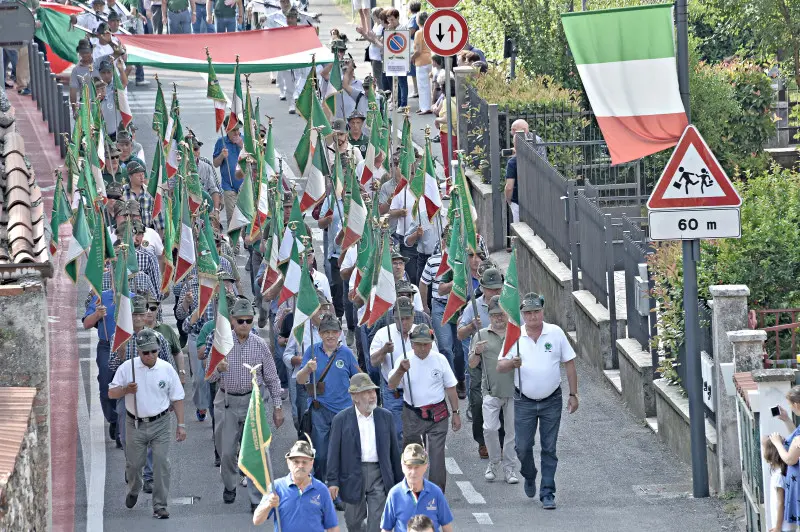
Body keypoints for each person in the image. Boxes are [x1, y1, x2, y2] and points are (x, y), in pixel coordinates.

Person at [497, 292, 578, 509]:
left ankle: (548, 492)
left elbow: (569, 363)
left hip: (552, 399)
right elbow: (500, 366)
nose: (533, 316)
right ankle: (530, 474)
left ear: (542, 312)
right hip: (524, 400)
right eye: (528, 313)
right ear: (522, 315)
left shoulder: (556, 333)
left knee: (549, 447)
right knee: (523, 447)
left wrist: (573, 394)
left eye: (536, 311)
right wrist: (512, 363)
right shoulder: (514, 335)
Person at [208, 297, 285, 508]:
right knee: (226, 451)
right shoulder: (221, 343)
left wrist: (278, 407)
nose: (244, 325)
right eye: (240, 320)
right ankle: (230, 485)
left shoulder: (260, 345)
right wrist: (218, 369)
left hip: (253, 402)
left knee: (256, 451)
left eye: (248, 320)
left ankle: (255, 497)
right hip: (227, 402)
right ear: (232, 320)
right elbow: (209, 377)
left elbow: (272, 378)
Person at [108, 328, 186, 520]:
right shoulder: (128, 368)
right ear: (139, 352)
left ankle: (160, 505)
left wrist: (181, 424)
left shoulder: (167, 369)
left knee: (161, 464)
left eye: (154, 351)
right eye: (145, 352)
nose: (150, 355)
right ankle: (134, 488)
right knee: (134, 465)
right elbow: (111, 393)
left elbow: (177, 398)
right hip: (135, 423)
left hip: (160, 423)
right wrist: (126, 389)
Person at [387, 323, 460, 492]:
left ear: (432, 342)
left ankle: (436, 492)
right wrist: (400, 370)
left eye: (426, 343)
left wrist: (456, 412)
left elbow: (450, 387)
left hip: (438, 414)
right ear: (411, 344)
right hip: (412, 414)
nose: (422, 348)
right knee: (412, 454)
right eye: (418, 344)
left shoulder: (439, 359)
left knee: (437, 456)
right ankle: (412, 488)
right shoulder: (404, 359)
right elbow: (392, 385)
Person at [327, 374, 403, 532]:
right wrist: (333, 481)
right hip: (352, 475)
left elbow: (394, 453)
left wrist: (400, 483)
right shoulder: (341, 420)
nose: (372, 396)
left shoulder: (386, 417)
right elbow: (333, 453)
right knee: (353, 522)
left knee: (377, 523)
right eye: (367, 392)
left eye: (373, 391)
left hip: (379, 475)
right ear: (355, 396)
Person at [297, 313, 361, 482]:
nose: (330, 335)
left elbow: (359, 378)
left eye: (334, 331)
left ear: (340, 333)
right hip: (320, 409)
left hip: (343, 411)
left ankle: (337, 491)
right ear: (320, 333)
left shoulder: (346, 353)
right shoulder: (311, 350)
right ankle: (321, 487)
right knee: (321, 454)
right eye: (326, 332)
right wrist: (307, 369)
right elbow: (300, 380)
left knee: (341, 453)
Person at [369, 296, 432, 446]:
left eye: (407, 318)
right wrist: (384, 350)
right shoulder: (383, 334)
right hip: (394, 392)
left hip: (418, 390)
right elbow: (373, 362)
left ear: (413, 316)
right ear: (393, 317)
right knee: (397, 431)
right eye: (400, 319)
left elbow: (434, 359)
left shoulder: (422, 332)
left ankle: (417, 463)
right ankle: (400, 465)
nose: (404, 323)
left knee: (418, 431)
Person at [469, 295, 518, 484]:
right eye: (494, 314)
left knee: (511, 433)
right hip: (490, 390)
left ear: (507, 314)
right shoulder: (480, 336)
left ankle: (510, 469)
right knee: (489, 429)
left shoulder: (516, 335)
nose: (498, 318)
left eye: (501, 314)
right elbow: (472, 365)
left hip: (514, 392)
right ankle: (494, 462)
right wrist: (476, 353)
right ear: (489, 316)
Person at [457, 266, 504, 457]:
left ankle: (501, 440)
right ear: (483, 288)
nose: (495, 291)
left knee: (503, 399)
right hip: (479, 360)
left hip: (501, 360)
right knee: (477, 401)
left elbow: (521, 329)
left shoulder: (508, 305)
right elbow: (460, 335)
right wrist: (471, 326)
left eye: (498, 288)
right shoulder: (473, 306)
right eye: (491, 288)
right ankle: (482, 441)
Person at [83, 280, 134, 447]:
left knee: (130, 385)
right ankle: (113, 419)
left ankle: (123, 426)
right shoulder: (101, 297)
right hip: (107, 345)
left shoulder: (133, 298)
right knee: (106, 386)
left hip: (130, 345)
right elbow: (86, 323)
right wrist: (97, 315)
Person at [253, 440, 340, 531]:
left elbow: (332, 527)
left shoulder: (322, 489)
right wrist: (268, 504)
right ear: (288, 463)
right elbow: (257, 520)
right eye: (296, 462)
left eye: (304, 462)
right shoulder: (276, 488)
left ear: (311, 463)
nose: (300, 466)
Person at [380, 444, 454, 532]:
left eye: (417, 467)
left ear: (425, 466)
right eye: (409, 467)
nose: (413, 472)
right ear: (402, 466)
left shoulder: (436, 492)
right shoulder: (394, 494)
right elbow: (386, 528)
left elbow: (447, 526)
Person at [212, 116, 245, 227]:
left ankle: (246, 242)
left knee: (246, 218)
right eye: (233, 130)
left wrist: (242, 145)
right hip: (229, 186)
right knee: (232, 220)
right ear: (227, 130)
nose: (236, 133)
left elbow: (255, 160)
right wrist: (222, 155)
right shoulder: (221, 142)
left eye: (238, 129)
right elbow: (215, 164)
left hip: (244, 185)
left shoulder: (244, 140)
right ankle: (234, 244)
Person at [122, 160, 165, 232]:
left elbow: (157, 215)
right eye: (138, 175)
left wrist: (161, 236)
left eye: (142, 174)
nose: (142, 177)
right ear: (130, 177)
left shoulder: (149, 192)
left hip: (148, 232)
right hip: (129, 233)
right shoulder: (122, 191)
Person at [504, 119, 529, 224]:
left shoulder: (513, 162)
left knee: (519, 228)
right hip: (534, 201)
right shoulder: (534, 158)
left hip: (517, 201)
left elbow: (509, 187)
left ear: (514, 144)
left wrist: (508, 200)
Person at [763, 433, 790, 532]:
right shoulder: (781, 473)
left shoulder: (779, 476)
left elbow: (780, 503)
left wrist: (778, 528)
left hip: (783, 527)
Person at [434, 78, 457, 186]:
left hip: (448, 134)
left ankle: (449, 186)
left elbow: (446, 118)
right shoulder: (458, 100)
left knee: (448, 161)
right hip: (456, 134)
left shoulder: (446, 101)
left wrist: (437, 120)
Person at [410, 12, 432, 115]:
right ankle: (428, 106)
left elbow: (418, 50)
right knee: (431, 85)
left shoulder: (419, 33)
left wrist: (412, 58)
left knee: (423, 86)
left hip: (421, 61)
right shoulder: (430, 31)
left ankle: (425, 107)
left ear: (418, 21)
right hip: (431, 59)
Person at [69, 40, 96, 115]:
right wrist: (74, 110)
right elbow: (73, 91)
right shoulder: (76, 70)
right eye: (82, 53)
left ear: (91, 51)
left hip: (102, 107)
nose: (84, 55)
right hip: (85, 109)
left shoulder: (98, 64)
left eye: (87, 52)